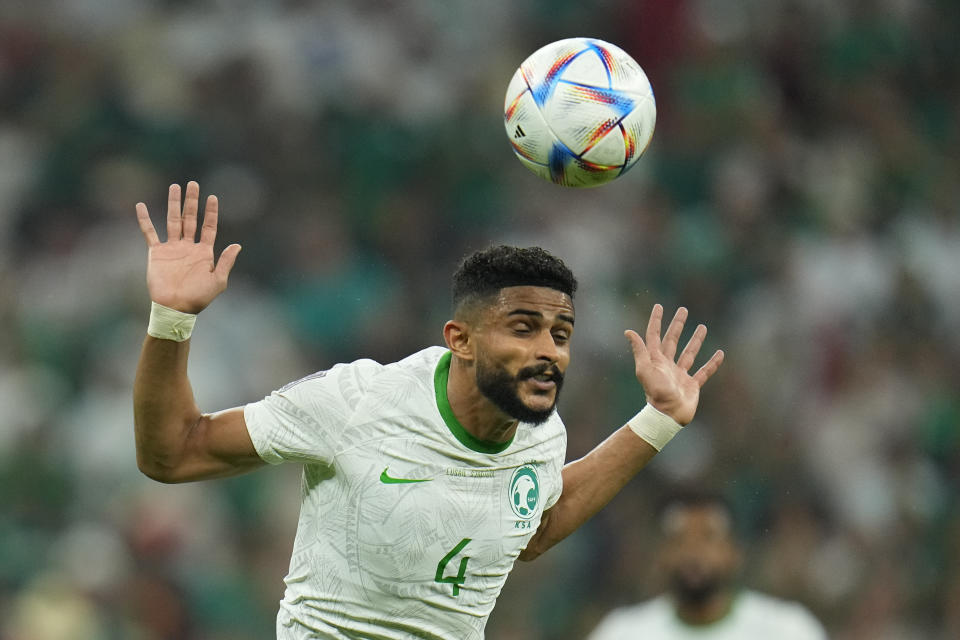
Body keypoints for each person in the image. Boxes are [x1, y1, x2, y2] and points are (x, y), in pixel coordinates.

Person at [132, 181, 725, 640]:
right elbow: (174, 452)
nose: (548, 351)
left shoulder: (541, 441)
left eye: (561, 334)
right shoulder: (357, 402)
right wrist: (172, 319)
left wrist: (658, 420)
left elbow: (536, 522)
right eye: (524, 328)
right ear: (460, 340)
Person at [587, 491, 828, 640]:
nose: (693, 552)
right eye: (680, 540)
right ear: (661, 555)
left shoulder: (787, 630)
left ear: (735, 553)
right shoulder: (623, 633)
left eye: (708, 538)